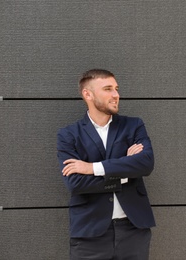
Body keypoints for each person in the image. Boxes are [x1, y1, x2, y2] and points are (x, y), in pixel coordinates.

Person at [57, 69, 155, 260]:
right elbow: (75, 183)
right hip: (89, 233)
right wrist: (126, 171)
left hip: (134, 230)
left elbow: (146, 164)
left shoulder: (133, 126)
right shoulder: (68, 135)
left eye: (116, 89)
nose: (116, 95)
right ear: (88, 94)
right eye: (108, 89)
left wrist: (91, 168)